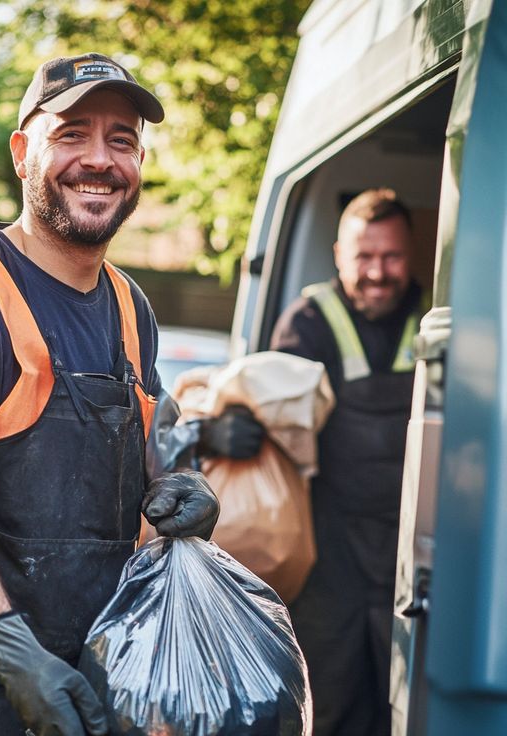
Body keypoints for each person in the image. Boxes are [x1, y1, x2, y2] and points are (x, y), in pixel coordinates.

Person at [0, 52, 219, 736]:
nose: (99, 159)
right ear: (22, 151)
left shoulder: (130, 305)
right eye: (71, 134)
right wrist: (10, 645)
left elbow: (148, 439)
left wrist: (184, 483)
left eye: (121, 140)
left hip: (97, 679)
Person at [199, 188, 426, 736]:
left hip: (415, 550)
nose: (377, 272)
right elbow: (266, 417)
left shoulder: (442, 318)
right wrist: (227, 432)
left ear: (412, 255)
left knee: (409, 705)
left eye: (390, 257)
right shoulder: (308, 320)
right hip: (331, 554)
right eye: (364, 258)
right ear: (338, 256)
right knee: (332, 703)